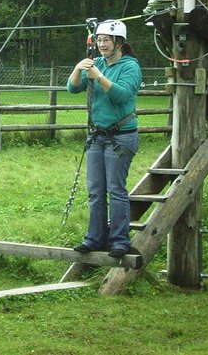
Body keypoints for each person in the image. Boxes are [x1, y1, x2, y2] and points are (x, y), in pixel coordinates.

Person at [66, 20, 142, 258]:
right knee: (96, 191)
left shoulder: (130, 66)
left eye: (106, 40)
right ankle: (95, 238)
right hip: (97, 136)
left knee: (115, 189)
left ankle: (119, 240)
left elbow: (122, 95)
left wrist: (98, 77)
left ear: (119, 42)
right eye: (98, 40)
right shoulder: (97, 63)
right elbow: (72, 88)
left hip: (121, 137)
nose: (101, 45)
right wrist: (78, 69)